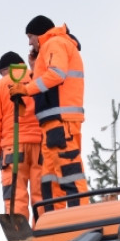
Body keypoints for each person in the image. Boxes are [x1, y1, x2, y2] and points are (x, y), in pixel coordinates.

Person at [9, 15, 88, 212]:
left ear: (40, 34)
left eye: (30, 37)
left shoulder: (55, 43)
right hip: (52, 122)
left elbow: (56, 75)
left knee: (70, 174)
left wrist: (26, 89)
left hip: (61, 122)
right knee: (50, 180)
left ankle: (81, 220)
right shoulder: (52, 47)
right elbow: (48, 79)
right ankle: (54, 223)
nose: (29, 42)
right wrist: (35, 66)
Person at [0, 51, 43, 221]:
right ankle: (43, 234)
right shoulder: (37, 78)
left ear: (5, 70)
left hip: (13, 148)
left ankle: (19, 236)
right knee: (42, 193)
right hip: (41, 145)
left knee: (15, 195)